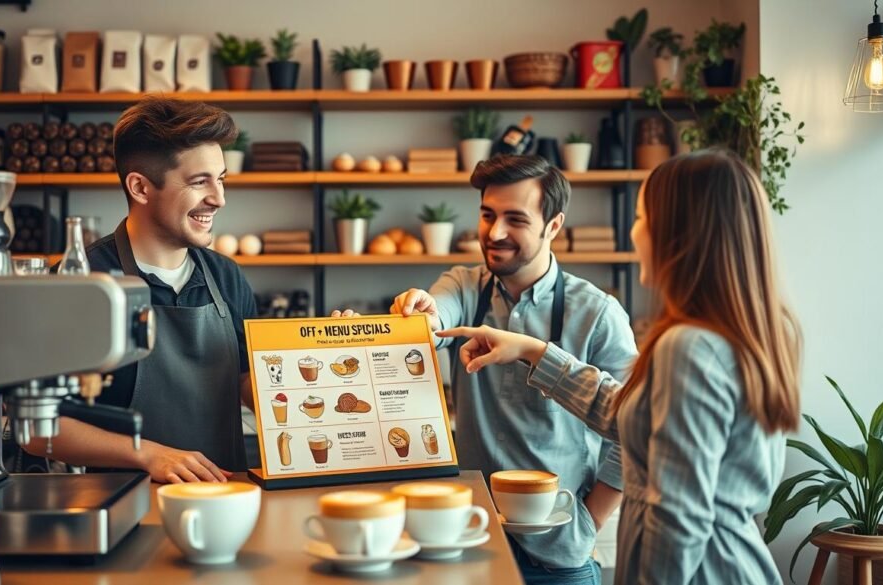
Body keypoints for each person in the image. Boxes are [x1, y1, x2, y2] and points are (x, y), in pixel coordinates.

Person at [439, 149, 801, 584]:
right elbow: (630, 415)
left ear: (678, 234)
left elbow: (677, 524)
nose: (634, 232)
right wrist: (534, 351)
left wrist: (588, 521)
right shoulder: (741, 335)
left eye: (641, 217)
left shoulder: (688, 349)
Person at [338, 155, 638, 584]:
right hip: (466, 544)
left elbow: (636, 430)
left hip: (557, 559)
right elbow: (431, 322)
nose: (495, 233)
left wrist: (590, 519)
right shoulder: (463, 286)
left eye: (515, 219)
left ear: (553, 225)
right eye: (487, 215)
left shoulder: (598, 314)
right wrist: (405, 320)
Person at [25, 97, 257, 484]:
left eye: (221, 179)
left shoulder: (227, 278)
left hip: (226, 502)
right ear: (141, 188)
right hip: (123, 504)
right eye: (200, 182)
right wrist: (147, 454)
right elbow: (36, 430)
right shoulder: (82, 283)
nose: (219, 198)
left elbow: (254, 387)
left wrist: (332, 358)